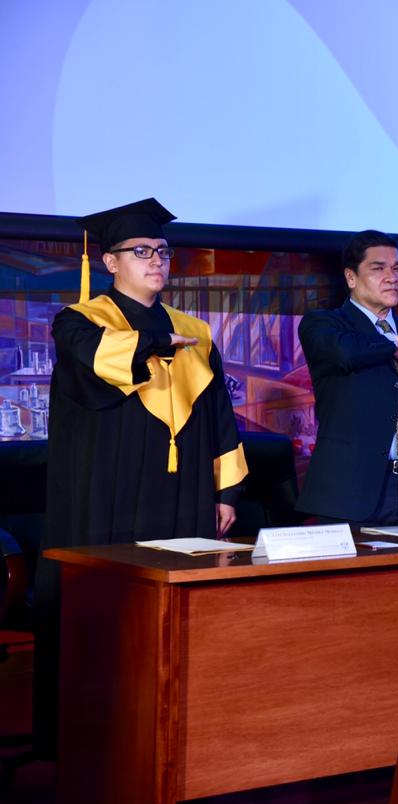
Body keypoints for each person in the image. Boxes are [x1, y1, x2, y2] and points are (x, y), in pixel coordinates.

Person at [35, 197, 247, 756]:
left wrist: (226, 490)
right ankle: (99, 736)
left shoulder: (193, 328)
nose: (157, 260)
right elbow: (106, 360)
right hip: (110, 490)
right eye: (141, 251)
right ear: (110, 262)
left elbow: (218, 416)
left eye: (162, 251)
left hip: (182, 492)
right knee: (115, 615)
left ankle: (179, 725)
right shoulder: (81, 321)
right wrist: (154, 343)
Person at [297, 230, 398, 525]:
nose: (392, 277)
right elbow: (346, 353)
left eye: (397, 269)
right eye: (378, 268)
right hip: (350, 492)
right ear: (351, 277)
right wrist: (392, 345)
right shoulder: (323, 325)